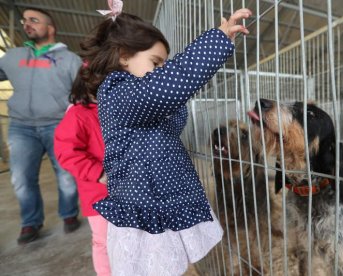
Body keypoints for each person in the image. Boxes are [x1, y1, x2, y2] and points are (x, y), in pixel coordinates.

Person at [80, 7, 251, 275]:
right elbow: (168, 87)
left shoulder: (143, 101)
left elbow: (171, 115)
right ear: (124, 56)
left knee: (175, 266)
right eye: (156, 62)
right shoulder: (117, 92)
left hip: (165, 203)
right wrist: (215, 42)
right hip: (145, 212)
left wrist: (174, 99)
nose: (161, 71)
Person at [0, 8, 81, 245]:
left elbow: (82, 93)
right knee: (22, 177)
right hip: (21, 126)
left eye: (34, 21)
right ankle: (31, 222)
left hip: (58, 124)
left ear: (51, 28)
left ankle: (69, 215)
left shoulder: (70, 60)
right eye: (25, 21)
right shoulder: (13, 56)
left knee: (66, 174)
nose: (27, 24)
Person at [54, 72, 110, 276]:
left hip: (126, 191)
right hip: (98, 195)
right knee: (103, 240)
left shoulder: (116, 111)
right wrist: (98, 172)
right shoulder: (78, 114)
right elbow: (66, 152)